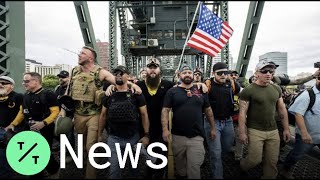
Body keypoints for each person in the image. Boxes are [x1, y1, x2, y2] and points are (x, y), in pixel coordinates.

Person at [61, 46, 141, 179]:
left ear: (90, 58)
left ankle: (90, 175)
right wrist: (63, 110)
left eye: (82, 53)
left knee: (90, 146)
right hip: (78, 114)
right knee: (81, 147)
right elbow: (68, 91)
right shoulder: (74, 71)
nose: (79, 55)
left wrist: (134, 85)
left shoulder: (100, 72)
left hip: (94, 114)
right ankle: (89, 164)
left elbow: (118, 81)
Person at [161, 64, 216, 179]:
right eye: (184, 73)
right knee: (181, 168)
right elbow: (165, 111)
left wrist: (213, 128)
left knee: (194, 168)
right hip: (178, 136)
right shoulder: (172, 91)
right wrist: (165, 130)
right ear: (179, 75)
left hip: (196, 136)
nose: (187, 75)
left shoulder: (200, 90)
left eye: (189, 72)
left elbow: (208, 110)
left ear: (193, 75)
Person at [238, 60, 291, 178]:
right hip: (255, 130)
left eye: (271, 71)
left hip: (273, 130)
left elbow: (282, 109)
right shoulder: (248, 90)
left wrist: (286, 129)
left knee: (272, 162)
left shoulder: (276, 89)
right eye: (264, 71)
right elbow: (242, 112)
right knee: (254, 160)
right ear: (257, 73)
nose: (268, 74)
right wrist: (242, 132)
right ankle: (242, 165)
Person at [98, 65, 150, 178]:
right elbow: (103, 115)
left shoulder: (136, 94)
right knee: (114, 172)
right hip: (114, 138)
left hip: (133, 138)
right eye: (116, 74)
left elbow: (144, 114)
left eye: (121, 73)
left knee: (134, 171)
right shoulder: (109, 94)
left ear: (128, 76)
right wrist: (99, 135)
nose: (118, 76)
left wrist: (146, 135)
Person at [6, 72, 60, 178]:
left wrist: (43, 123)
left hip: (45, 129)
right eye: (23, 81)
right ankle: (47, 170)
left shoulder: (48, 94)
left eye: (26, 81)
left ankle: (51, 170)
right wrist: (13, 124)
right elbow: (22, 112)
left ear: (35, 81)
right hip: (29, 129)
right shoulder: (26, 95)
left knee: (41, 151)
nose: (23, 83)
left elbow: (55, 111)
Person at [204, 62, 241, 179]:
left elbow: (245, 93)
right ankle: (217, 175)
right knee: (216, 153)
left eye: (226, 73)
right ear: (213, 74)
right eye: (220, 73)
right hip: (212, 122)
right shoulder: (207, 85)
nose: (223, 75)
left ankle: (215, 159)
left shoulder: (232, 84)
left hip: (228, 121)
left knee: (227, 147)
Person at [280, 75, 320, 179]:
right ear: (317, 79)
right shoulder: (308, 95)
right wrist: (304, 133)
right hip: (307, 135)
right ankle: (285, 169)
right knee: (297, 154)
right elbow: (298, 114)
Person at [0, 76, 23, 178]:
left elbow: (22, 112)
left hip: (11, 130)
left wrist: (12, 125)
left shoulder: (18, 97)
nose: (0, 85)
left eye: (4, 83)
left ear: (12, 86)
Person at [54, 70, 75, 162]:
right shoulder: (58, 88)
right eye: (59, 77)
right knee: (58, 133)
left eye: (63, 77)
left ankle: (70, 154)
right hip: (59, 116)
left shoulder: (73, 89)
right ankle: (62, 148)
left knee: (69, 135)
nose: (60, 79)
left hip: (69, 116)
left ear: (69, 78)